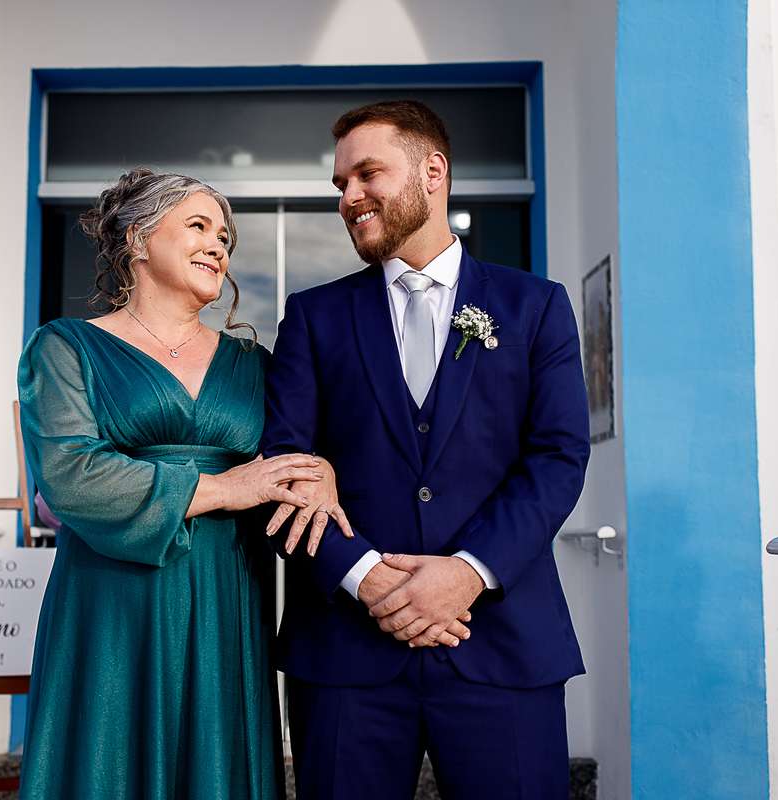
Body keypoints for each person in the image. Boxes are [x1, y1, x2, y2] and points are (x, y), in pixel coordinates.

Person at [261, 101, 591, 799]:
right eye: (340, 184)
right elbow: (282, 468)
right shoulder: (313, 318)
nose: (348, 198)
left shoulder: (535, 307)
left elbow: (557, 458)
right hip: (346, 652)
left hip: (500, 643)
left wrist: (468, 572)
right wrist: (369, 579)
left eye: (367, 174)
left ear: (432, 171)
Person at [17, 168, 339, 799]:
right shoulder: (65, 348)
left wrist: (320, 471)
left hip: (226, 596)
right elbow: (69, 476)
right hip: (111, 604)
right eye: (199, 226)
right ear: (138, 238)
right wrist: (223, 489)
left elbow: (292, 460)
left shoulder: (255, 365)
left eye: (225, 237)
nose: (218, 246)